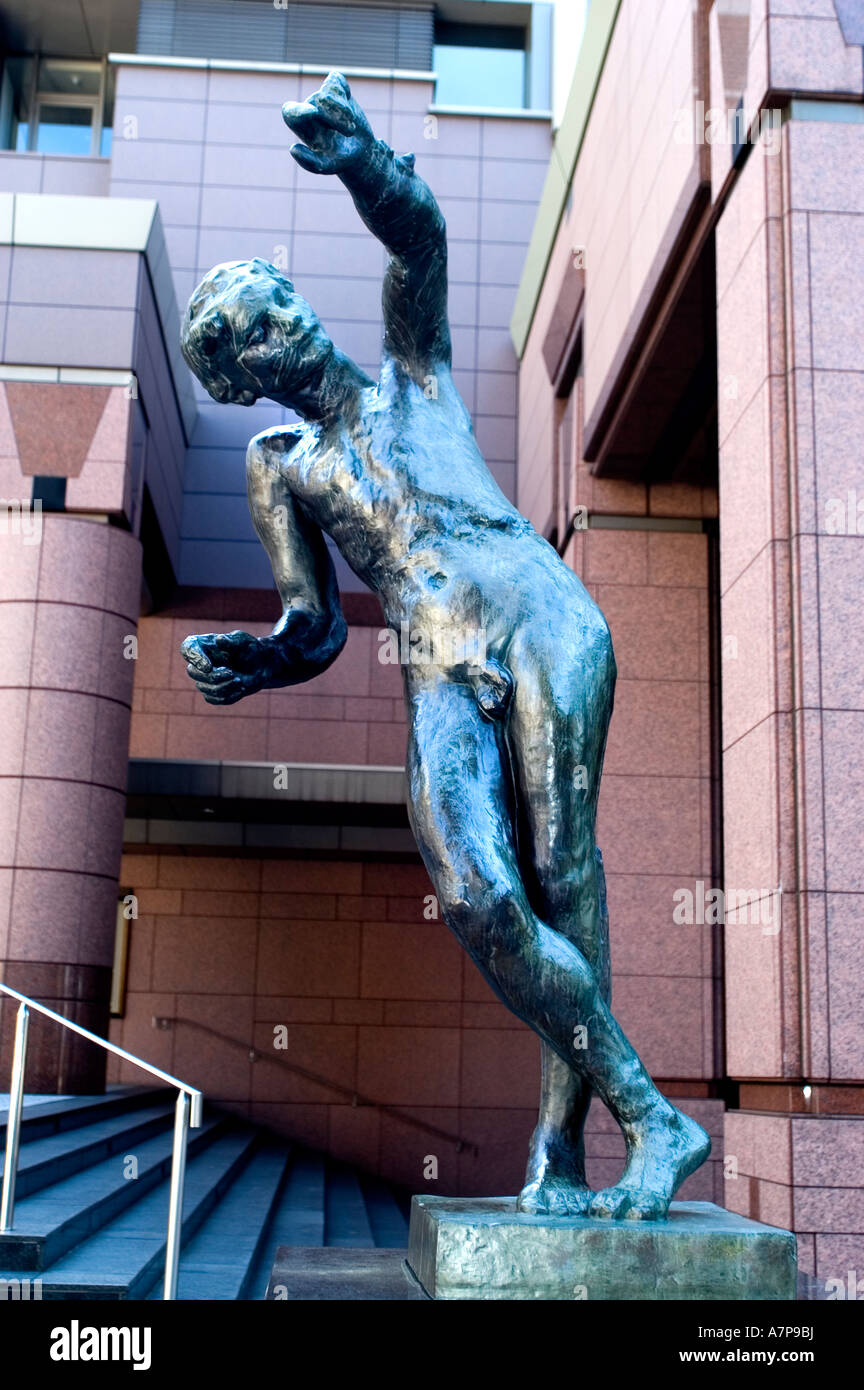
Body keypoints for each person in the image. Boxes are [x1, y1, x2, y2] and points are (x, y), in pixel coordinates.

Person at [179, 72, 709, 1219]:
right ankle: (656, 1118)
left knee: (566, 873)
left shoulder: (410, 371)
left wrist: (368, 160)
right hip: (433, 664)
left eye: (281, 298)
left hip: (536, 612)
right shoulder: (280, 467)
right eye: (261, 328)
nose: (290, 320)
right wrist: (260, 656)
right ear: (240, 378)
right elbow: (316, 623)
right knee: (476, 893)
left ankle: (565, 1151)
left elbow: (420, 239)